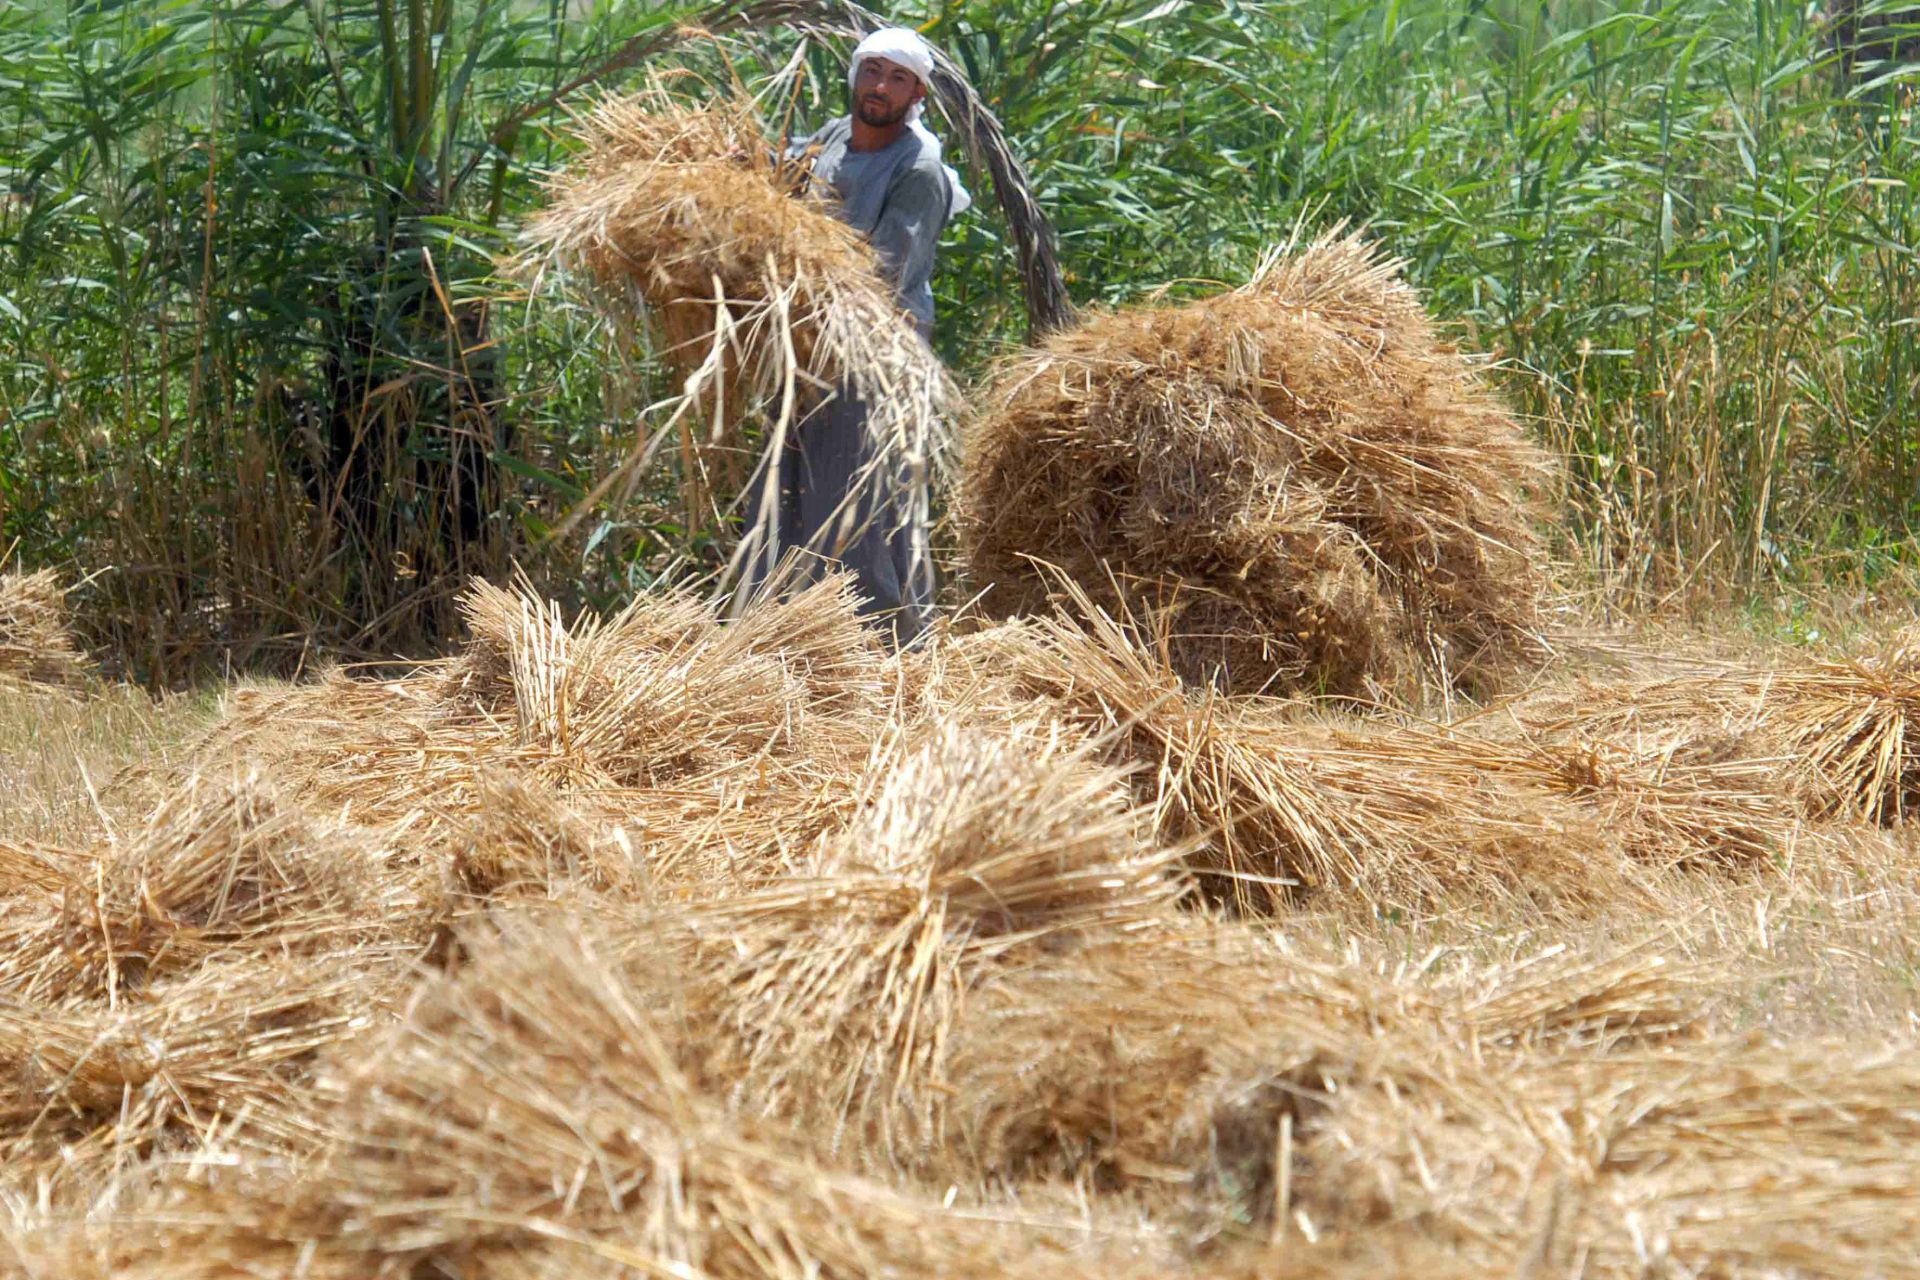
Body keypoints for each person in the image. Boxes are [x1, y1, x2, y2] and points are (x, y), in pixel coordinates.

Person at [741, 27, 968, 647]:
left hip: (870, 354)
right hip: (805, 344)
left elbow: (884, 274)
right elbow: (775, 179)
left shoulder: (918, 170)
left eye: (897, 79)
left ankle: (886, 653)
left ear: (917, 93)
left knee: (858, 505)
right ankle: (777, 643)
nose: (879, 88)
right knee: (782, 494)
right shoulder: (832, 139)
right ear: (855, 75)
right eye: (872, 71)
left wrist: (801, 285)